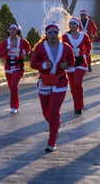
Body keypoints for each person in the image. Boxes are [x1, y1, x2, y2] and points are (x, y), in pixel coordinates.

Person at [30, 22, 74, 152]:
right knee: (46, 112)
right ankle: (55, 125)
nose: (53, 35)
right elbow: (33, 63)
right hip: (45, 81)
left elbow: (72, 61)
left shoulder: (66, 47)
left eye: (55, 32)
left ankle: (52, 141)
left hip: (60, 82)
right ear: (46, 34)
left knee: (54, 111)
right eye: (50, 32)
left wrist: (67, 65)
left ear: (58, 33)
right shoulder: (40, 48)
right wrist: (43, 66)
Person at [0, 23, 31, 114]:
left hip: (18, 66)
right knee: (12, 88)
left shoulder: (23, 41)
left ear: (18, 31)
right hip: (8, 67)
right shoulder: (5, 42)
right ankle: (16, 102)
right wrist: (6, 50)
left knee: (13, 85)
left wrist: (24, 52)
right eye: (10, 29)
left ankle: (14, 106)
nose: (12, 31)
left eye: (14, 29)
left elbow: (28, 49)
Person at [62, 17, 91, 115]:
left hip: (80, 62)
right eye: (70, 24)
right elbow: (61, 48)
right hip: (70, 64)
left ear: (77, 25)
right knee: (73, 86)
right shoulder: (65, 37)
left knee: (78, 83)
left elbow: (89, 45)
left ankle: (80, 105)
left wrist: (86, 54)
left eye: (74, 23)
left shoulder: (84, 36)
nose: (72, 25)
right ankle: (77, 105)